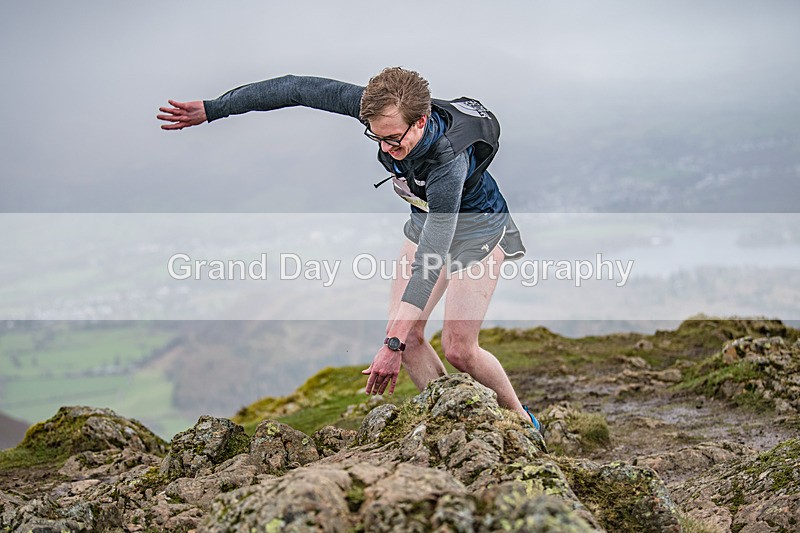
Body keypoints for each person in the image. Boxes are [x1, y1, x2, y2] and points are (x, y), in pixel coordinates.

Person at [158, 67, 541, 432]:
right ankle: (455, 421)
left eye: (394, 139)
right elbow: (295, 88)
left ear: (420, 121)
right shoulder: (375, 106)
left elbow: (430, 262)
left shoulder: (447, 163)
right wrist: (213, 109)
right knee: (408, 338)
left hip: (478, 228)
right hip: (427, 221)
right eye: (377, 138)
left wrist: (390, 345)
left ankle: (522, 422)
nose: (388, 149)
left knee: (459, 349)